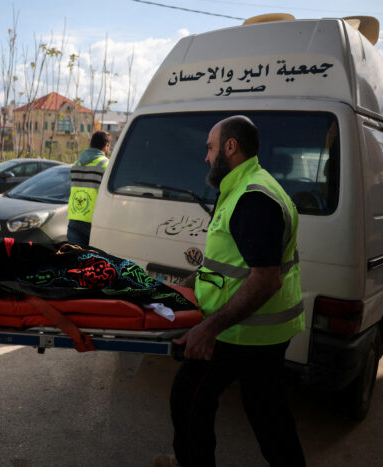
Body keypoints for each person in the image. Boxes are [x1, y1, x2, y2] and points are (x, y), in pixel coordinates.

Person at [154, 116, 306, 467]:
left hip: (242, 333)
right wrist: (183, 288)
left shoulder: (254, 197)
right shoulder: (243, 187)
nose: (206, 157)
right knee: (269, 415)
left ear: (230, 146)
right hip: (259, 333)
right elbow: (226, 264)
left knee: (189, 397)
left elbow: (265, 280)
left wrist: (208, 329)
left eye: (210, 147)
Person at [66, 131, 110, 246]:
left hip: (74, 218)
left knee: (76, 256)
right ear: (106, 146)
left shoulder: (76, 164)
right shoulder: (106, 165)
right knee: (94, 256)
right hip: (94, 221)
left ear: (91, 144)